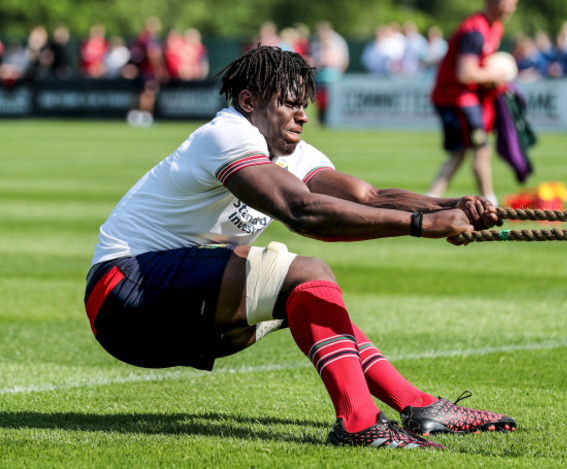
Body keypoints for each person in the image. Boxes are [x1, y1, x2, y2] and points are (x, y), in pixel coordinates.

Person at [84, 45, 515, 450]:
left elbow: (368, 197)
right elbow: (302, 212)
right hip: (123, 292)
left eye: (305, 104)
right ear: (250, 101)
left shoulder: (291, 151)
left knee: (309, 298)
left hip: (168, 300)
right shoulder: (227, 134)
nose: (302, 115)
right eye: (289, 103)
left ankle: (418, 405)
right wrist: (423, 224)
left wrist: (452, 205)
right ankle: (360, 425)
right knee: (308, 273)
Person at [427, 0, 518, 206]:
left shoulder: (495, 27)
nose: (511, 7)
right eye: (507, 2)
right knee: (481, 149)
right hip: (456, 98)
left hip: (462, 98)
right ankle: (490, 203)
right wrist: (496, 74)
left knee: (459, 152)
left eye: (515, 2)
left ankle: (429, 199)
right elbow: (465, 73)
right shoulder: (474, 30)